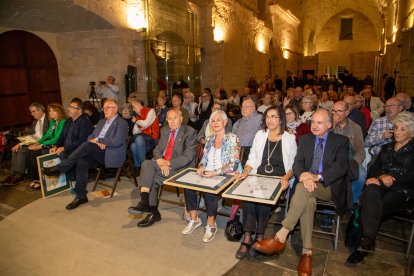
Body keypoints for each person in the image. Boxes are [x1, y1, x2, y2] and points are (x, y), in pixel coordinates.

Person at [253, 109, 349, 276]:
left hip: (328, 186)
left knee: (302, 188)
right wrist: (304, 174)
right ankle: (307, 252)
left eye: (320, 123)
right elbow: (297, 163)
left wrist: (316, 177)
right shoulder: (305, 139)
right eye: (313, 122)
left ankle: (281, 236)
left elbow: (340, 167)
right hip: (306, 186)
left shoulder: (340, 141)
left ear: (329, 124)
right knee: (308, 199)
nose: (315, 126)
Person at [347, 112, 414, 265]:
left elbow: (411, 177)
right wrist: (378, 178)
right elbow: (374, 168)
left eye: (403, 129)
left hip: (402, 192)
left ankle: (362, 245)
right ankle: (368, 240)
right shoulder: (387, 147)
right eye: (396, 128)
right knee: (371, 192)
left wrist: (388, 180)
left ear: (411, 132)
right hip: (379, 188)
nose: (397, 132)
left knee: (370, 204)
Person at [235, 106, 297, 259]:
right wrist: (246, 171)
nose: (270, 120)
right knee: (249, 196)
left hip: (278, 179)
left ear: (281, 119)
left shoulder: (289, 138)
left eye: (274, 116)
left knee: (263, 199)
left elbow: (293, 165)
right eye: (268, 116)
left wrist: (286, 178)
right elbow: (253, 158)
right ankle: (248, 236)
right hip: (258, 174)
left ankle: (260, 236)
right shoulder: (260, 135)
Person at [43, 99, 128, 210]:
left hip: (110, 154)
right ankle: (81, 196)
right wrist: (97, 141)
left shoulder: (121, 123)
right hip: (96, 152)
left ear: (115, 109)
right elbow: (89, 137)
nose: (104, 110)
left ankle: (60, 168)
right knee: (82, 160)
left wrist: (99, 140)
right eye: (104, 108)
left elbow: (116, 141)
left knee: (87, 146)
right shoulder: (102, 122)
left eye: (108, 107)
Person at [127, 110, 197, 227]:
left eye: (175, 118)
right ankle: (145, 203)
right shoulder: (164, 131)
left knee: (151, 177)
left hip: (181, 169)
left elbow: (187, 157)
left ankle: (153, 211)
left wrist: (167, 163)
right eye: (169, 119)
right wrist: (160, 160)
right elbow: (157, 150)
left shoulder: (190, 132)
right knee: (146, 163)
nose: (172, 121)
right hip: (163, 165)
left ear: (181, 119)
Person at [183, 110, 240, 242]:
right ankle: (194, 219)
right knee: (188, 186)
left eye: (218, 120)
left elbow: (233, 164)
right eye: (212, 121)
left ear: (225, 122)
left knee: (209, 190)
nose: (215, 123)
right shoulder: (209, 139)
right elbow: (204, 159)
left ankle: (211, 224)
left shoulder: (232, 138)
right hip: (208, 173)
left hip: (225, 175)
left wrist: (216, 172)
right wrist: (201, 167)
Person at [1, 103, 50, 185]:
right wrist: (20, 144)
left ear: (40, 110)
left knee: (22, 151)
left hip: (40, 143)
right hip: (32, 142)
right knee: (15, 149)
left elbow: (48, 136)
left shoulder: (48, 120)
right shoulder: (35, 122)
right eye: (31, 112)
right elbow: (30, 135)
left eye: (34, 111)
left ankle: (20, 175)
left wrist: (38, 144)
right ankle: (13, 173)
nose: (32, 114)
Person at [49, 98, 94, 181]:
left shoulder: (85, 122)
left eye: (72, 108)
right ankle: (70, 179)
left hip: (79, 150)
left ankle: (73, 180)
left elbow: (82, 141)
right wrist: (56, 146)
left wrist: (65, 148)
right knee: (53, 151)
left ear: (79, 110)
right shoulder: (69, 121)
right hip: (68, 148)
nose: (69, 109)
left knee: (64, 154)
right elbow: (62, 136)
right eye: (69, 107)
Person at [331, 101, 366, 204]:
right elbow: (321, 141)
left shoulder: (355, 128)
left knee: (362, 175)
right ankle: (332, 207)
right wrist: (333, 125)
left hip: (350, 159)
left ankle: (352, 202)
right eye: (333, 111)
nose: (335, 114)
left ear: (346, 112)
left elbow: (360, 151)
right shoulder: (328, 125)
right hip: (332, 159)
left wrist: (353, 164)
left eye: (339, 111)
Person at [26, 103, 67, 189]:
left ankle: (42, 179)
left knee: (37, 153)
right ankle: (35, 178)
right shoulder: (53, 122)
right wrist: (38, 142)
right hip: (49, 143)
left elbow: (56, 139)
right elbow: (47, 135)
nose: (51, 113)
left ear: (59, 112)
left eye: (53, 111)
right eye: (50, 111)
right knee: (30, 153)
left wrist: (41, 145)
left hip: (57, 144)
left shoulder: (63, 122)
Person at [130, 99, 159, 173]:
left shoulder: (150, 111)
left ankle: (143, 165)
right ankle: (138, 167)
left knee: (138, 138)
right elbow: (134, 132)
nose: (133, 109)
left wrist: (137, 122)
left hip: (152, 138)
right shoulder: (137, 116)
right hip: (143, 140)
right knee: (133, 145)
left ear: (139, 105)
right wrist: (139, 125)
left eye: (134, 107)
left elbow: (145, 124)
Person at [232, 98, 262, 164]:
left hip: (255, 153)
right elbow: (232, 139)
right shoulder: (238, 122)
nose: (243, 109)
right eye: (242, 107)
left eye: (246, 106)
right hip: (238, 154)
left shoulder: (261, 118)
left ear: (253, 108)